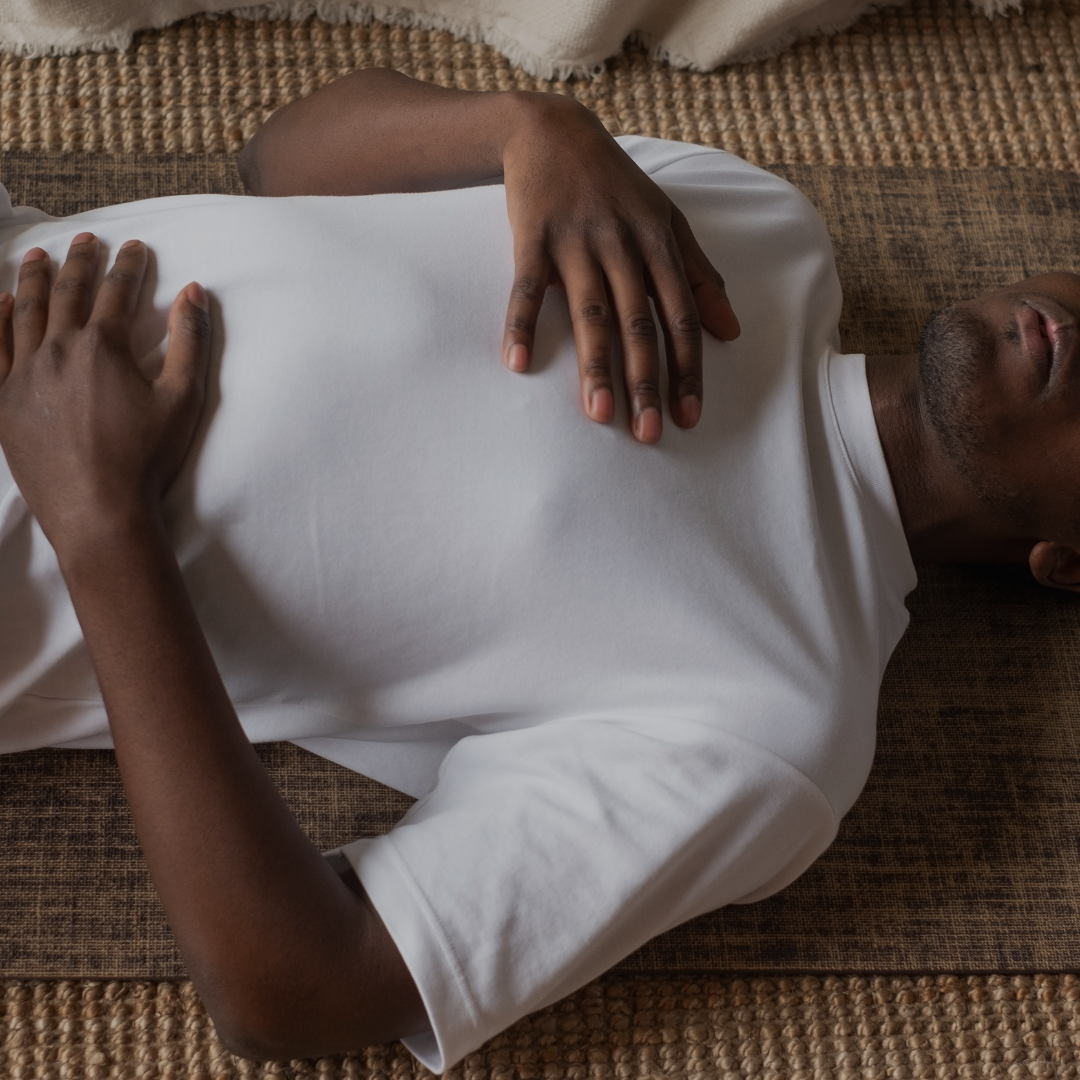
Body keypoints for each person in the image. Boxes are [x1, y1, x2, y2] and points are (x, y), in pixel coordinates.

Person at [0, 68, 1078, 1070]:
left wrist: (99, 518)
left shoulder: (782, 717)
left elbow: (300, 991)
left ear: (1067, 563)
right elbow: (278, 164)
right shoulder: (759, 223)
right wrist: (526, 127)